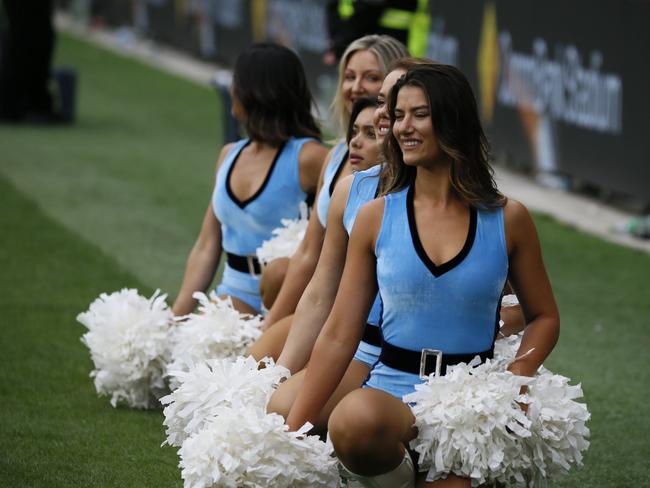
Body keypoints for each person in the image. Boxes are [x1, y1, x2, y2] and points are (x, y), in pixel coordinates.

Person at [286, 64, 560, 487]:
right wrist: (293, 431)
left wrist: (520, 373)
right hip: (390, 390)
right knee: (352, 421)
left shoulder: (509, 218)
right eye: (398, 115)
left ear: (453, 120)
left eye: (419, 114)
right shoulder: (375, 218)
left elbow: (544, 316)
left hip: (468, 404)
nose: (402, 127)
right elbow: (340, 332)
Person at [256, 34, 407, 336]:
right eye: (349, 77)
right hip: (326, 293)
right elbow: (310, 253)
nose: (356, 87)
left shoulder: (407, 169)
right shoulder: (337, 154)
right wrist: (268, 326)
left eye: (371, 77)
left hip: (370, 313)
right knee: (277, 280)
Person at [171, 43, 327, 316]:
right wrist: (175, 319)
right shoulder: (229, 155)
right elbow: (207, 245)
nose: (231, 89)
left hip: (287, 300)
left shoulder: (310, 158)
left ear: (258, 91)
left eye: (236, 81)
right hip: (231, 298)